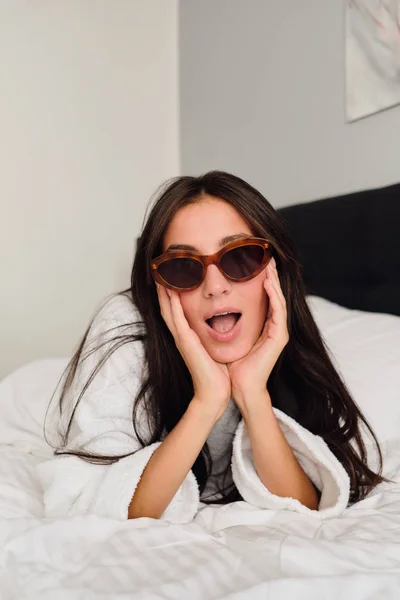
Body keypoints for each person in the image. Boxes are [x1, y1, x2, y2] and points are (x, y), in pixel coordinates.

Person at [38, 170, 385, 523]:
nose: (215, 286)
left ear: (275, 271)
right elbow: (102, 507)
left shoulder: (290, 340)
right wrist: (207, 401)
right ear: (160, 286)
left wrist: (252, 395)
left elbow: (305, 505)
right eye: (183, 267)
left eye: (240, 257)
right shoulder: (126, 327)